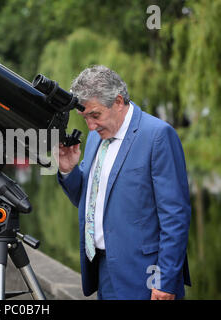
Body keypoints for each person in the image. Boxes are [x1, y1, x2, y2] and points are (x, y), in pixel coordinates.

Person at [57, 65, 191, 300]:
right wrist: (69, 171)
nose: (90, 125)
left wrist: (165, 281)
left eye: (95, 115)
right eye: (85, 117)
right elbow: (88, 201)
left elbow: (175, 216)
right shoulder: (96, 138)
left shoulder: (158, 135)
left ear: (118, 101)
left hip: (145, 277)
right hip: (103, 271)